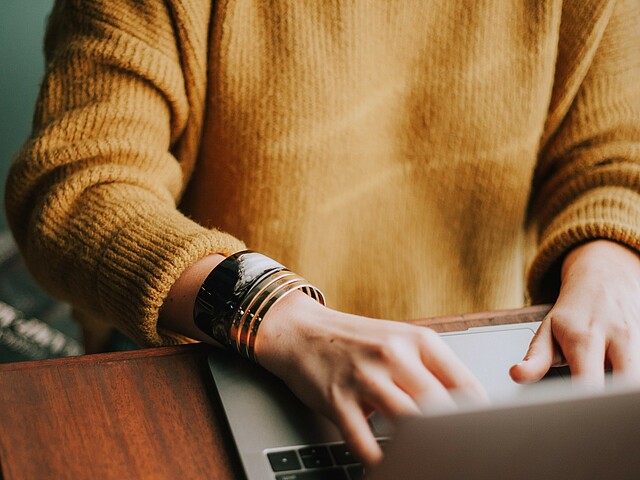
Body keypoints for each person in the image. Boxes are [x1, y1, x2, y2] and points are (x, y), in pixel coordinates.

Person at [5, 0, 640, 468]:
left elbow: (616, 159)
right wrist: (277, 317)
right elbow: (78, 188)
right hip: (221, 349)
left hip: (486, 362)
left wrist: (610, 264)